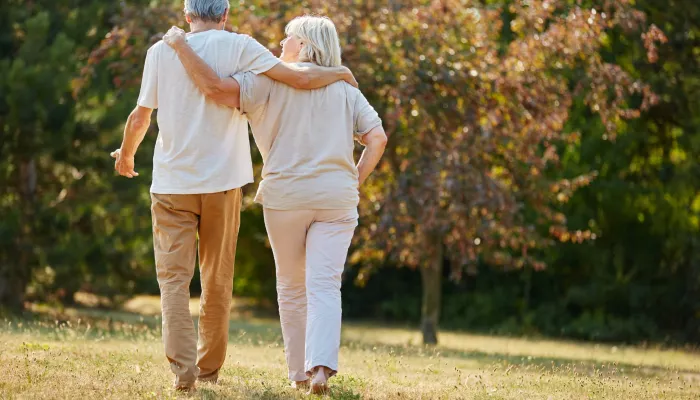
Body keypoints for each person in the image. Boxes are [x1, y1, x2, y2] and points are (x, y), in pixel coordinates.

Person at [110, 0, 357, 392]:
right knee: (217, 279)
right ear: (224, 15)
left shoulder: (160, 51)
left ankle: (183, 372)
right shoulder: (241, 46)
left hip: (172, 185)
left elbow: (141, 115)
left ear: (187, 15)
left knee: (173, 281)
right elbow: (299, 79)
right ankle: (208, 370)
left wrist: (126, 154)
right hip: (223, 184)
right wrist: (340, 71)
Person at [162, 15, 387, 394]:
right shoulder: (346, 88)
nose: (280, 44)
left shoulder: (264, 82)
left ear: (302, 45)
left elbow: (217, 91)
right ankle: (320, 370)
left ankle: (298, 375)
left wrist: (182, 48)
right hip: (337, 198)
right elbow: (377, 138)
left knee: (291, 286)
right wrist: (354, 179)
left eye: (287, 38)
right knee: (326, 285)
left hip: (286, 197)